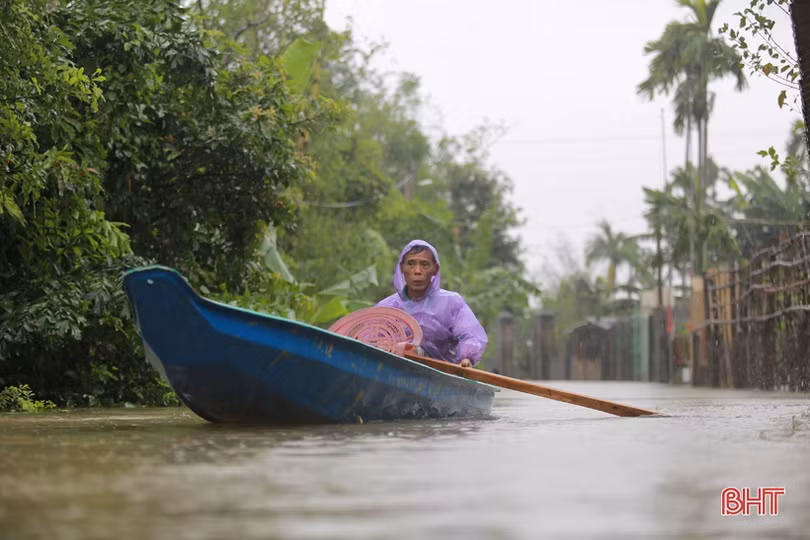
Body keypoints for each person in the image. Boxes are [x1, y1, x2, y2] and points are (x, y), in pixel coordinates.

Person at [376, 239, 487, 367]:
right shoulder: (386, 307)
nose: (417, 271)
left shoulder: (451, 303)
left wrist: (467, 358)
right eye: (411, 264)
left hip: (441, 374)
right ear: (402, 267)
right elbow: (368, 339)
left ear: (435, 269)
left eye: (424, 264)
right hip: (394, 370)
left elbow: (469, 335)